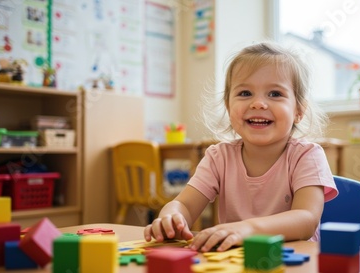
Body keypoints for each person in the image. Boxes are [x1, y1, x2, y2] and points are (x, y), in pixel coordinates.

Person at [144, 41, 338, 252]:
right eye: (245, 93)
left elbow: (306, 220)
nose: (258, 103)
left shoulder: (307, 155)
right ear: (228, 106)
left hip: (294, 261)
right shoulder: (218, 157)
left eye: (275, 94)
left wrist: (247, 229)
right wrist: (171, 217)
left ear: (298, 111)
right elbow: (185, 205)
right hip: (234, 262)